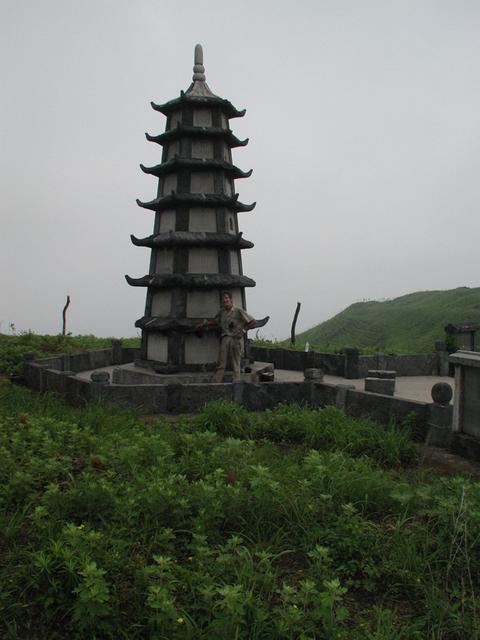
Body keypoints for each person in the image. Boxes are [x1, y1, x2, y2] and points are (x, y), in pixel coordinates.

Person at [198, 291, 256, 382]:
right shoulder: (222, 312)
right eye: (223, 299)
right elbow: (216, 321)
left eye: (226, 298)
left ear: (231, 300)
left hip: (236, 338)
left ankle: (236, 381)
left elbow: (253, 322)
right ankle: (217, 381)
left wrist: (243, 331)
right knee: (221, 361)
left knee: (235, 362)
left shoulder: (238, 311)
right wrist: (205, 323)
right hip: (225, 338)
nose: (225, 301)